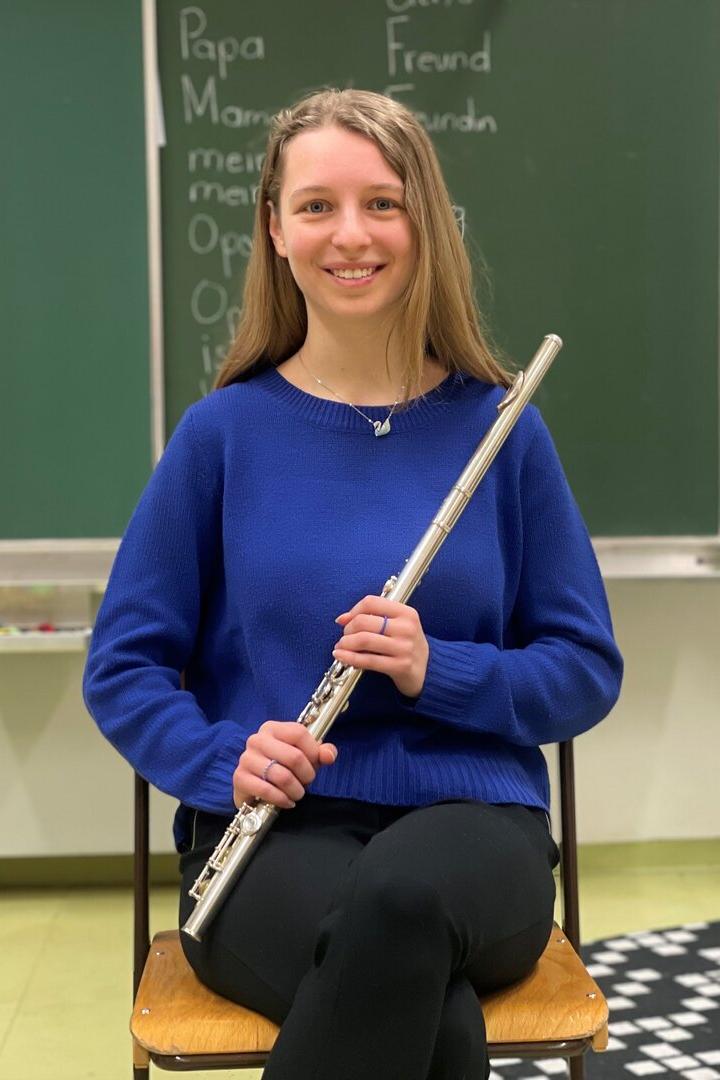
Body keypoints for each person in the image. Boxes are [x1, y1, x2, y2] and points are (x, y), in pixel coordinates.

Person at [83, 87, 624, 1080]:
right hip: (270, 833)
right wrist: (221, 759)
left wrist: (439, 670)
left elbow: (585, 668)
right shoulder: (223, 436)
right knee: (433, 1017)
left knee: (405, 904)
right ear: (276, 229)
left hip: (476, 824)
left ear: (426, 223)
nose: (352, 235)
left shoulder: (503, 432)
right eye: (318, 205)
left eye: (383, 202)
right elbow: (123, 667)